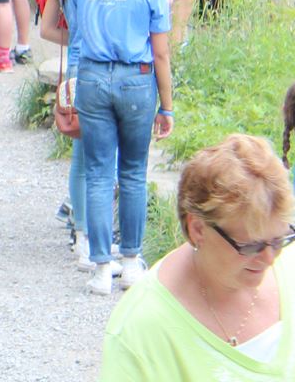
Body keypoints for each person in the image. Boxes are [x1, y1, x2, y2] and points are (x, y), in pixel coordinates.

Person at [100, 134, 295, 377]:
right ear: (198, 229)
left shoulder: (289, 265)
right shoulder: (140, 329)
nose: (269, 258)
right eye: (251, 246)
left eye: (279, 240)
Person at [67, 0, 174, 295]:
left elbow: (76, 28)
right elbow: (160, 52)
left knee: (98, 172)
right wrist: (167, 106)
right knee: (132, 172)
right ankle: (131, 261)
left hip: (93, 76)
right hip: (137, 79)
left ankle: (99, 266)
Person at [37, 0, 104, 268]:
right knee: (106, 156)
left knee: (80, 155)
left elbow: (46, 29)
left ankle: (81, 231)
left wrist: (76, 40)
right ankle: (101, 230)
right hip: (105, 64)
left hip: (77, 65)